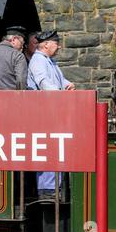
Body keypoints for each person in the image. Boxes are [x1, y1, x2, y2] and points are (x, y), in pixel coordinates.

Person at [27, 30, 75, 199]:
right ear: (46, 44)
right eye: (56, 43)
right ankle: (47, 190)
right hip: (45, 113)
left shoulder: (50, 62)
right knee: (49, 148)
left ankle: (55, 186)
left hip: (53, 112)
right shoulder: (38, 61)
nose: (59, 46)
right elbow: (44, 84)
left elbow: (60, 81)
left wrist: (68, 85)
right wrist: (61, 93)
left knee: (56, 147)